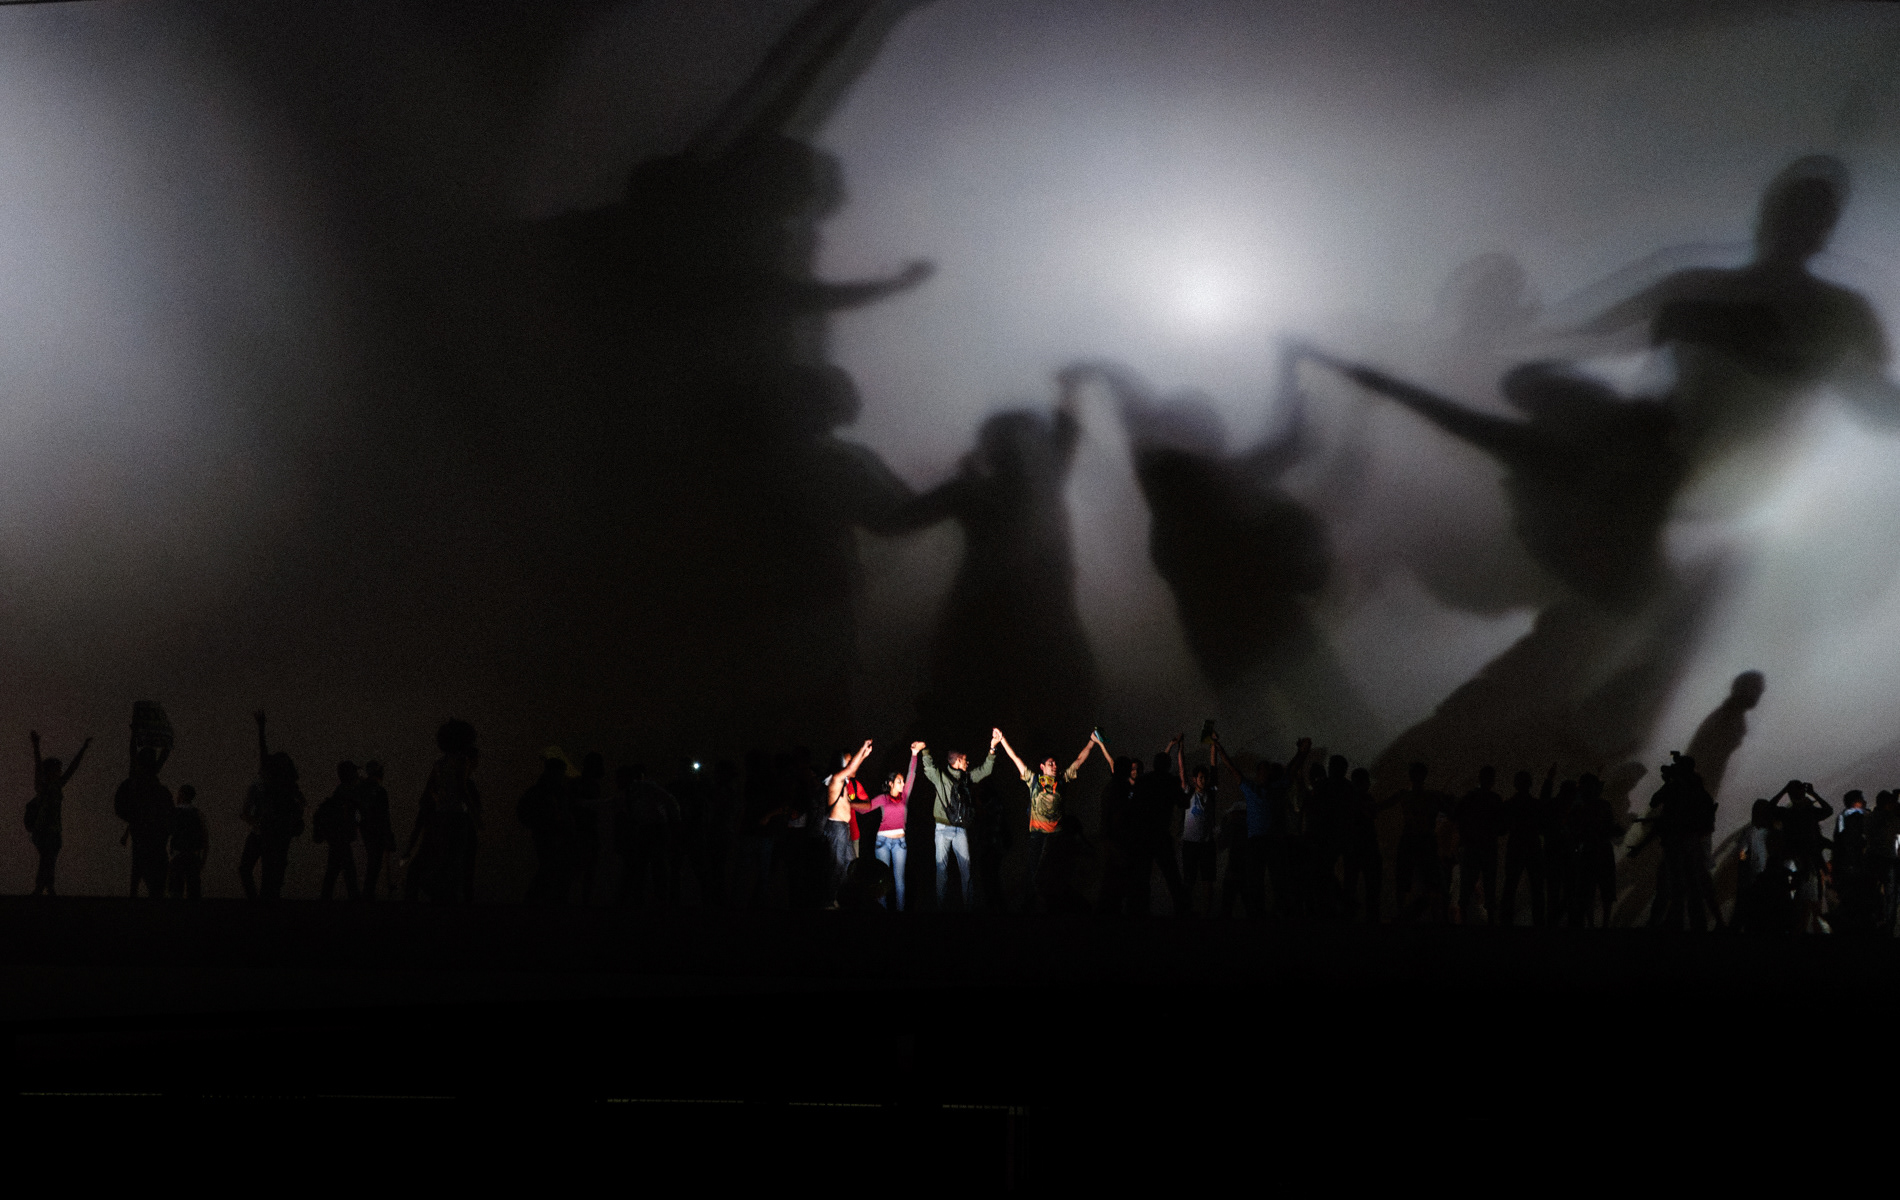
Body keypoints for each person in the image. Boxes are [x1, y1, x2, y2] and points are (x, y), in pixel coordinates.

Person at [995, 726, 1100, 912]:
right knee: (1034, 872)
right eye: (1050, 763)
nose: (1054, 766)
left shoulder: (1062, 780)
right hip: (1038, 835)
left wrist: (1091, 742)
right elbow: (1016, 760)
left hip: (1056, 838)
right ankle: (1029, 906)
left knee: (1056, 874)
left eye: (1055, 763)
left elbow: (1079, 760)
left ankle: (1054, 906)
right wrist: (1002, 740)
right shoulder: (1033, 780)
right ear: (1042, 766)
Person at [918, 732, 999, 911]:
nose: (967, 763)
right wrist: (925, 750)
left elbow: (986, 770)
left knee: (966, 871)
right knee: (942, 872)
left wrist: (992, 747)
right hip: (942, 829)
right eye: (964, 760)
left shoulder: (966, 778)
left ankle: (968, 907)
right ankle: (941, 908)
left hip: (960, 829)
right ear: (955, 761)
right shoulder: (941, 777)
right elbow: (929, 768)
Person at [405, 718, 481, 903]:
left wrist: (438, 801)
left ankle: (438, 893)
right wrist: (475, 814)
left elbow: (427, 792)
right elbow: (462, 788)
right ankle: (449, 897)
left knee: (442, 857)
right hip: (457, 816)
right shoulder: (462, 761)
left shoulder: (439, 763)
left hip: (441, 815)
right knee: (455, 859)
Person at [239, 711, 305, 901]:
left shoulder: (267, 785)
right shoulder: (289, 787)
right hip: (278, 831)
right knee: (273, 873)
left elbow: (263, 753)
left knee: (258, 870)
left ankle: (259, 904)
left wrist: (261, 728)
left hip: (268, 829)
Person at [855, 742, 919, 910]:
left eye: (902, 781)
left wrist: (914, 754)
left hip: (900, 843)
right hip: (882, 841)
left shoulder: (904, 796)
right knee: (882, 880)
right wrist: (849, 803)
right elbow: (866, 809)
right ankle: (881, 911)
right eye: (899, 781)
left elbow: (912, 774)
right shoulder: (883, 798)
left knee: (899, 881)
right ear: (891, 783)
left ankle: (899, 911)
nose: (902, 784)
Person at [26, 730, 90, 897]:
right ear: (50, 772)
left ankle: (45, 887)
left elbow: (72, 769)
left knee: (49, 859)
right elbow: (38, 766)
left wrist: (83, 749)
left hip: (54, 829)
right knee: (47, 858)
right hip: (43, 829)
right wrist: (36, 746)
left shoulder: (57, 786)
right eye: (56, 770)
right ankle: (44, 887)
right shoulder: (42, 786)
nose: (60, 772)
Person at [1389, 762, 1451, 922]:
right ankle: (1433, 916)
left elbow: (1451, 811)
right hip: (1421, 840)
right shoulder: (1429, 796)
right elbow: (1451, 811)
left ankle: (1407, 914)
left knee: (1412, 881)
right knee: (1426, 882)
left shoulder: (1423, 795)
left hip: (1417, 840)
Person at [116, 737, 174, 900]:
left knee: (140, 860)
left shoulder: (137, 778)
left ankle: (138, 893)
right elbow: (161, 758)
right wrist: (167, 744)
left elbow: (133, 755)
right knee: (150, 859)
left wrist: (134, 737)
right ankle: (148, 892)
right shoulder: (147, 778)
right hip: (152, 827)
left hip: (145, 826)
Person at [615, 763, 678, 909]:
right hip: (651, 830)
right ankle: (654, 901)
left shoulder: (641, 789)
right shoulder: (637, 790)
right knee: (651, 867)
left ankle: (648, 901)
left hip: (652, 830)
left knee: (648, 867)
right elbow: (670, 801)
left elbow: (669, 801)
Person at [821, 740, 874, 908]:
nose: (852, 764)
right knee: (837, 866)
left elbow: (852, 770)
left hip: (843, 829)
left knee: (851, 864)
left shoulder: (843, 782)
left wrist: (863, 757)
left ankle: (843, 898)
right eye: (849, 761)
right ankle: (829, 901)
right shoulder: (835, 779)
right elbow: (850, 770)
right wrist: (862, 749)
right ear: (841, 764)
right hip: (836, 828)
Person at [519, 753, 575, 904]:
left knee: (549, 867)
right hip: (552, 834)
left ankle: (535, 900)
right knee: (553, 868)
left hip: (545, 833)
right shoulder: (554, 791)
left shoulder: (539, 790)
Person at [1497, 768, 1550, 927]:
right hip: (1533, 846)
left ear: (1515, 784)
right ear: (1530, 784)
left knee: (1511, 885)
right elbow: (1543, 825)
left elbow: (1502, 829)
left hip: (1516, 846)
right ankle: (1539, 922)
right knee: (1537, 888)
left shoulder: (1509, 804)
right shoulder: (1535, 805)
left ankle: (1505, 921)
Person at [1453, 766, 1505, 924]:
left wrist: (1465, 837)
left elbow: (1458, 817)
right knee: (1488, 884)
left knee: (1468, 884)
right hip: (1487, 847)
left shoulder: (1470, 798)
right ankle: (1489, 920)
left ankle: (1464, 919)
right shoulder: (1495, 799)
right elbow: (1502, 825)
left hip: (1473, 847)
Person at [1178, 748, 1220, 917]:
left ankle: (1206, 912)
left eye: (1205, 777)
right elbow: (1182, 771)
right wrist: (1181, 747)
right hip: (1190, 844)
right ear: (1195, 780)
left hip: (1206, 843)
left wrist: (1213, 746)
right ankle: (1186, 911)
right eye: (1200, 778)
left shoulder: (1210, 793)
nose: (1203, 780)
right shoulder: (1188, 793)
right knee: (1189, 880)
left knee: (1207, 879)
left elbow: (1214, 767)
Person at [313, 761, 362, 901]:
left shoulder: (340, 792)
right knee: (347, 872)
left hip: (337, 838)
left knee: (334, 871)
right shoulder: (346, 793)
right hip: (341, 838)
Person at [1339, 766, 1382, 922]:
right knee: (1371, 888)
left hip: (1354, 849)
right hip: (1365, 848)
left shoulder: (1350, 799)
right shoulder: (1362, 799)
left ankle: (1350, 917)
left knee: (1351, 885)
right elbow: (1372, 814)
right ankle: (1370, 918)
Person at [167, 784, 209, 900]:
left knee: (175, 890)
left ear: (181, 795)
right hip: (193, 855)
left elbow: (167, 833)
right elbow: (205, 838)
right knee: (193, 891)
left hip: (178, 854)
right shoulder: (198, 814)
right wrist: (203, 858)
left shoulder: (174, 813)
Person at [359, 760, 393, 901]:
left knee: (372, 862)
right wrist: (389, 835)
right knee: (375, 863)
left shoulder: (362, 789)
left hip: (366, 829)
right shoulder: (379, 791)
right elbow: (384, 815)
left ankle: (368, 893)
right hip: (377, 830)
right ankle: (368, 894)